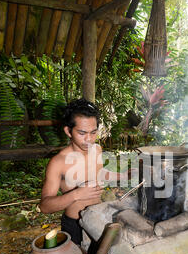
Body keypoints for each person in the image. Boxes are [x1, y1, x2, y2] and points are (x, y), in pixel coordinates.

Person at [40, 98, 126, 246]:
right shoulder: (58, 163)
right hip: (75, 225)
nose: (89, 139)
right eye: (82, 133)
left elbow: (98, 172)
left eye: (93, 133)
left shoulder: (97, 149)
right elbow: (45, 206)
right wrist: (77, 194)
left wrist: (124, 176)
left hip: (99, 218)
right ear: (68, 131)